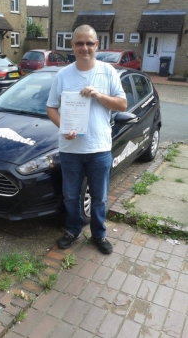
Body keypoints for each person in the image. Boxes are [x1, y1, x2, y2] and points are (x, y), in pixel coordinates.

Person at [46, 24, 127, 254]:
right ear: (72, 46)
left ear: (96, 45)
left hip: (99, 147)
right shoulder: (62, 75)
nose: (84, 47)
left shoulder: (108, 72)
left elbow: (122, 104)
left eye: (89, 43)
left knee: (99, 198)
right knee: (70, 195)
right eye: (79, 43)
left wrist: (98, 95)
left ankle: (99, 234)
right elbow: (51, 108)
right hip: (70, 148)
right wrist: (64, 126)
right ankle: (73, 230)